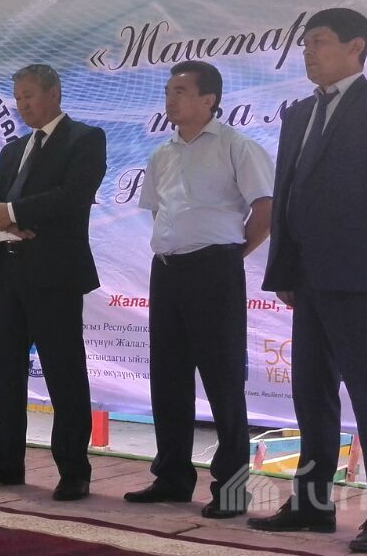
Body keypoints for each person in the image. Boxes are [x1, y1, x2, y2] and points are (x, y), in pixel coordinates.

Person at [248, 8, 367, 553]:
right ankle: (312, 505)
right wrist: (284, 269)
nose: (309, 52)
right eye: (305, 43)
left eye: (320, 41)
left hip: (363, 277)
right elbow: (288, 194)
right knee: (311, 395)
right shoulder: (298, 113)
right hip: (308, 278)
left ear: (356, 47)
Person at [123, 60, 272, 518]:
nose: (170, 99)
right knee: (168, 377)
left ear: (209, 99)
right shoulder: (161, 154)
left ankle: (232, 489)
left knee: (222, 380)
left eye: (181, 91)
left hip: (214, 270)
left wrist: (228, 256)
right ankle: (171, 478)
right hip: (167, 269)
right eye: (168, 91)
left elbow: (265, 210)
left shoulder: (236, 146)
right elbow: (159, 211)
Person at [0, 63, 106, 501]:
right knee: (7, 373)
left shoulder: (85, 139)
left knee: (64, 373)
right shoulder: (14, 150)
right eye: (18, 98)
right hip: (8, 272)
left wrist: (14, 212)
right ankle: (6, 461)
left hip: (55, 275)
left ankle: (73, 469)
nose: (22, 105)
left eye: (29, 95)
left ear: (54, 92)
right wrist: (1, 215)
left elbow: (73, 196)